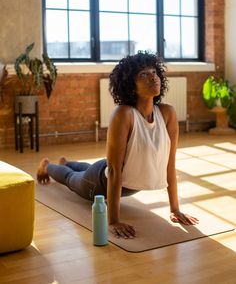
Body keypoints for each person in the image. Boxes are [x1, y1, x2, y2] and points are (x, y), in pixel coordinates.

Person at [37, 51, 198, 239]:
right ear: (131, 86)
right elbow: (113, 171)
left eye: (154, 72)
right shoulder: (124, 114)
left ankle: (67, 161)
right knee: (72, 179)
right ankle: (48, 166)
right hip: (100, 183)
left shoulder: (167, 113)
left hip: (113, 172)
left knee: (89, 168)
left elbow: (170, 164)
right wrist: (113, 221)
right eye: (143, 74)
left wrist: (175, 209)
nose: (152, 77)